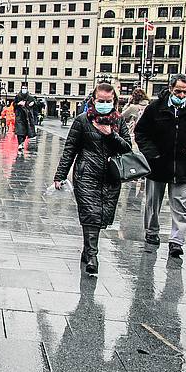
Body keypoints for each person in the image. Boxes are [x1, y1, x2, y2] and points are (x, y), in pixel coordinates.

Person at [54, 83, 133, 275]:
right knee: (91, 214)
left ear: (114, 101)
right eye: (101, 101)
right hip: (86, 174)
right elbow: (70, 149)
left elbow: (127, 148)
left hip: (111, 176)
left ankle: (87, 249)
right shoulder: (82, 121)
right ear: (93, 100)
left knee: (103, 215)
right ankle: (92, 256)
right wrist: (60, 175)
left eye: (108, 101)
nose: (104, 104)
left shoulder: (119, 121)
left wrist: (111, 135)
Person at [134, 74, 186, 258]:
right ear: (170, 88)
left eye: (185, 91)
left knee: (181, 204)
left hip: (184, 166)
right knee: (152, 202)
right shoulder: (155, 108)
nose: (181, 95)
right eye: (178, 91)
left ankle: (177, 241)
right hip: (158, 165)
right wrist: (152, 153)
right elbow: (141, 132)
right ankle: (151, 232)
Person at [13, 86, 36, 152]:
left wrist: (32, 103)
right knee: (19, 130)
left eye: (25, 88)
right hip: (19, 115)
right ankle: (19, 143)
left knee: (26, 131)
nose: (24, 90)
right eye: (23, 88)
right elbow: (14, 104)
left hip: (27, 116)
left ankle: (22, 142)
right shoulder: (17, 96)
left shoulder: (30, 97)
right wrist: (18, 104)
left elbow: (35, 103)